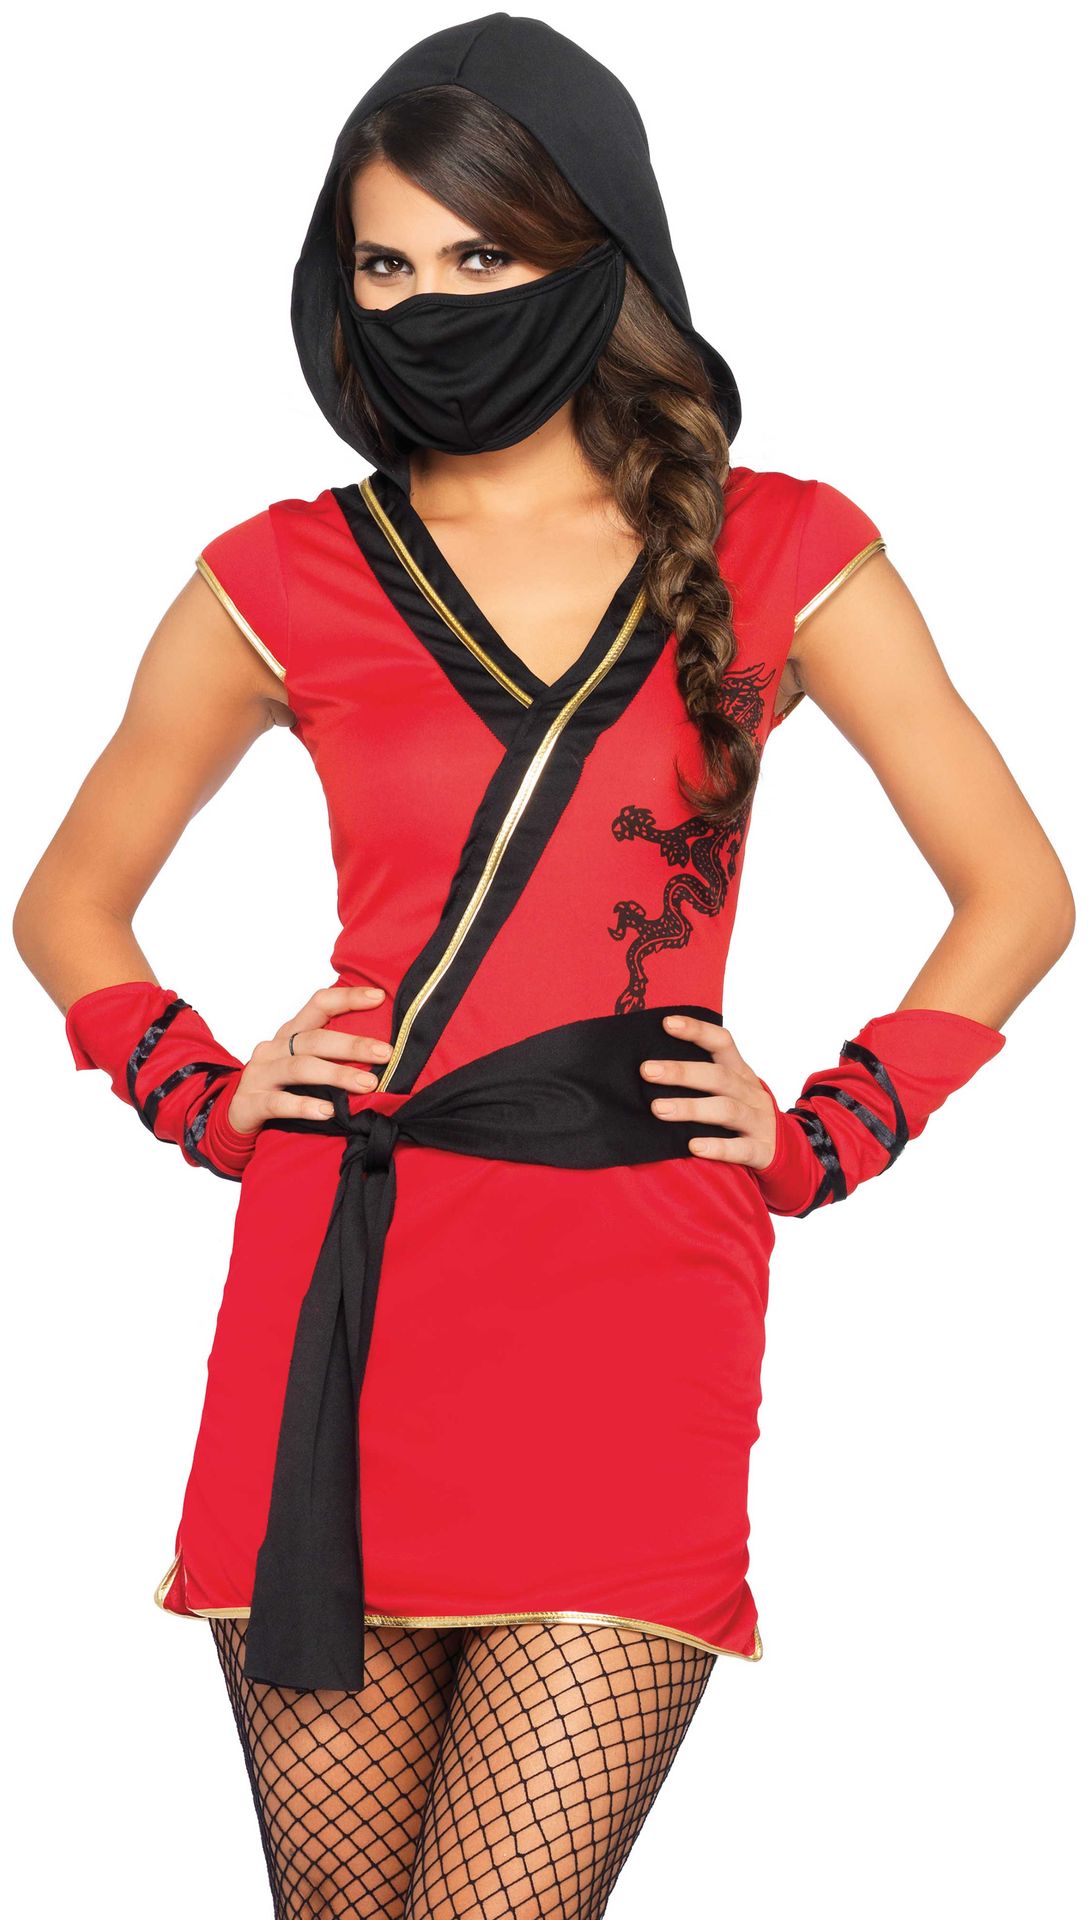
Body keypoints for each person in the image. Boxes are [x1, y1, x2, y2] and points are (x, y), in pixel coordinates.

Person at [13, 13, 1074, 1919]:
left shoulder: (784, 545)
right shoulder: (282, 572)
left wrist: (829, 1133)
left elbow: (1016, 892)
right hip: (339, 1294)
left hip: (629, 1298)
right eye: (384, 265)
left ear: (600, 252)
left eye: (481, 252)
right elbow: (69, 901)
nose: (429, 302)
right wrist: (203, 1093)